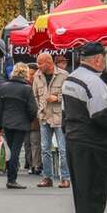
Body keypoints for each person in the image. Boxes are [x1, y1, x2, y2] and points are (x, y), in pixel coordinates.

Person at [62, 42, 107, 213]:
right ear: (97, 59)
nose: (104, 63)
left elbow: (65, 114)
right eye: (104, 59)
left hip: (75, 140)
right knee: (95, 193)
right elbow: (102, 116)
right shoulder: (93, 82)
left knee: (82, 191)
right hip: (92, 143)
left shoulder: (71, 78)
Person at [0, 62, 37, 189]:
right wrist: (29, 120)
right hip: (21, 123)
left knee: (10, 149)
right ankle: (12, 179)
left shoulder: (4, 87)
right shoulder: (27, 89)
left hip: (7, 122)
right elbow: (32, 109)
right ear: (25, 73)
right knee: (15, 151)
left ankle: (10, 177)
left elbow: (0, 109)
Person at [33, 53, 70, 188]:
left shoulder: (64, 75)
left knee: (63, 149)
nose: (38, 66)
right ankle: (47, 177)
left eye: (40, 63)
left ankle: (65, 178)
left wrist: (57, 98)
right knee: (45, 148)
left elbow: (70, 94)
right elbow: (35, 96)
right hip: (44, 116)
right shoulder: (37, 76)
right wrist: (39, 111)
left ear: (48, 63)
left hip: (59, 116)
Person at [24, 64, 42, 175]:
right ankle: (30, 164)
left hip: (35, 119)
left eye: (32, 74)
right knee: (27, 144)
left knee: (35, 143)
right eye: (28, 74)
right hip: (25, 119)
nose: (30, 76)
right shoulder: (24, 86)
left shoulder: (40, 85)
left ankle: (36, 165)